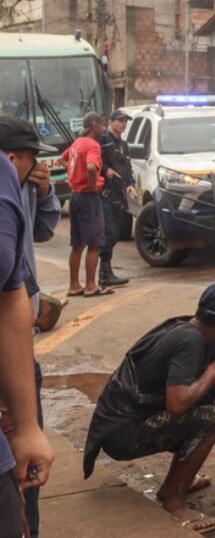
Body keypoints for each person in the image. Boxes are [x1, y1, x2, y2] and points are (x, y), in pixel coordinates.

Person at [82, 282, 215, 533]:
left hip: (127, 421)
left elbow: (213, 356)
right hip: (121, 434)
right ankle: (173, 500)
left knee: (214, 400)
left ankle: (180, 480)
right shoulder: (189, 341)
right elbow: (177, 404)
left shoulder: (197, 330)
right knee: (213, 417)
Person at [0, 118, 62, 538]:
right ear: (12, 155)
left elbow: (10, 295)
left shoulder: (13, 185)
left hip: (18, 354)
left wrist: (45, 190)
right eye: (31, 158)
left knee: (24, 479)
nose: (37, 164)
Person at [63, 112, 112, 297]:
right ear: (93, 126)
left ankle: (74, 285)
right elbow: (91, 167)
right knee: (94, 243)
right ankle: (91, 285)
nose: (104, 128)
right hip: (88, 197)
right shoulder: (93, 145)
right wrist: (92, 186)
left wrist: (74, 176)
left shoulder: (77, 143)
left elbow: (64, 158)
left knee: (77, 244)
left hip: (74, 196)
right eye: (102, 124)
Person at [98, 110, 135, 288]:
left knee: (115, 233)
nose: (122, 124)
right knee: (109, 232)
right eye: (119, 121)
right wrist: (106, 171)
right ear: (110, 122)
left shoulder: (123, 145)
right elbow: (97, 162)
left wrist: (130, 184)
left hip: (119, 192)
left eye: (125, 122)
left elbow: (126, 166)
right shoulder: (103, 141)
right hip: (106, 191)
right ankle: (104, 273)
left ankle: (108, 271)